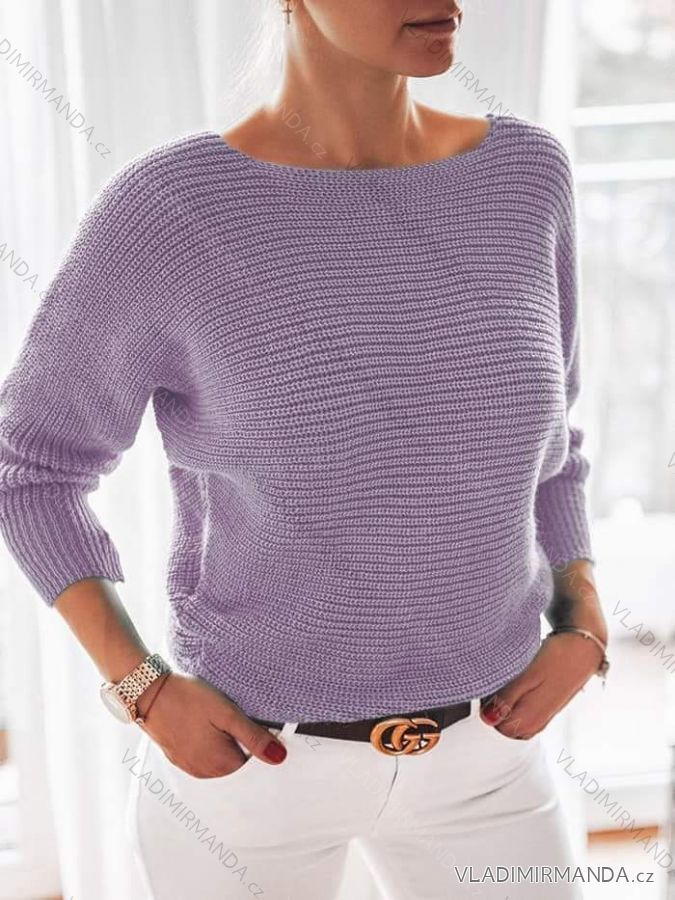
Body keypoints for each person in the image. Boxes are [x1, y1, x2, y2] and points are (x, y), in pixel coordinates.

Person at [0, 1, 609, 898]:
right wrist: (142, 689)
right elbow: (30, 469)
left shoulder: (525, 175)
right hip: (254, 769)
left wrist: (583, 620)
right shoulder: (172, 210)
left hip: (492, 756)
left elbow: (554, 443)